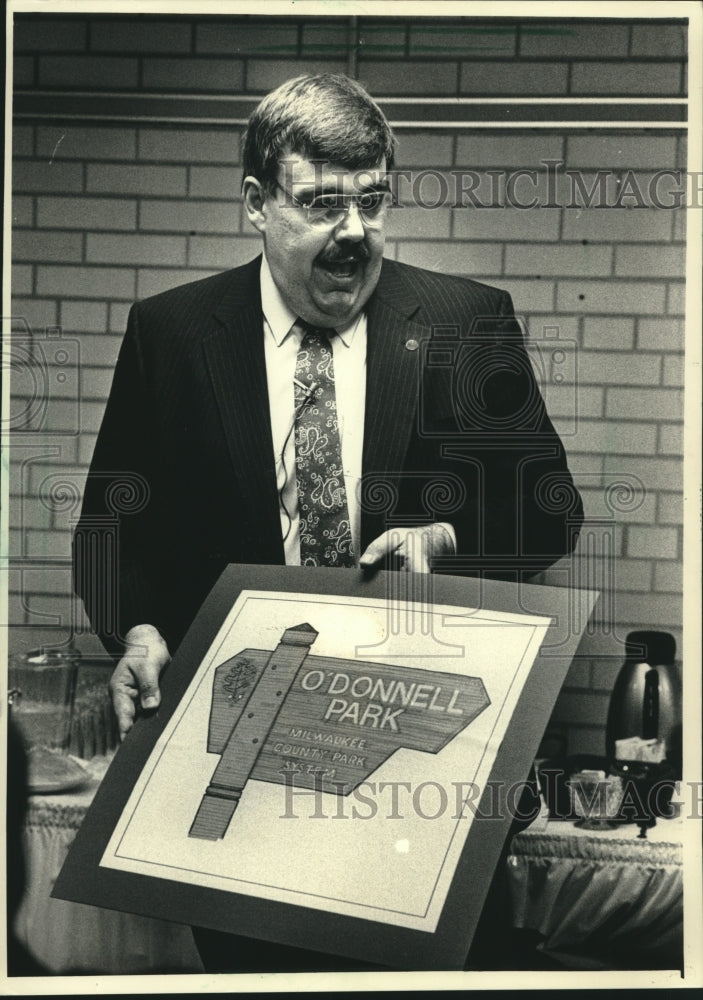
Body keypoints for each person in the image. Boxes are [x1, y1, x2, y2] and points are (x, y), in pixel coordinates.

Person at [73, 73, 582, 971]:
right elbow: (112, 533)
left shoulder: (466, 322)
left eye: (372, 201)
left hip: (421, 763)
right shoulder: (171, 334)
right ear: (255, 204)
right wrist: (141, 630)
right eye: (320, 205)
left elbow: (549, 515)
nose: (354, 232)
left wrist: (446, 537)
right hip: (235, 754)